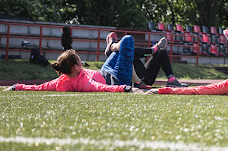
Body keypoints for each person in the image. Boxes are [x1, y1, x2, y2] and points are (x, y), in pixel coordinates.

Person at [3, 50, 136, 93]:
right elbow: (102, 87)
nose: (81, 61)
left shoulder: (62, 80)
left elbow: (38, 87)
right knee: (126, 43)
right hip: (114, 76)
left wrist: (17, 86)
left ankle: (111, 46)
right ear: (74, 67)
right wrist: (125, 88)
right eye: (78, 59)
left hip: (104, 70)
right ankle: (140, 81)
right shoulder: (85, 82)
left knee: (117, 51)